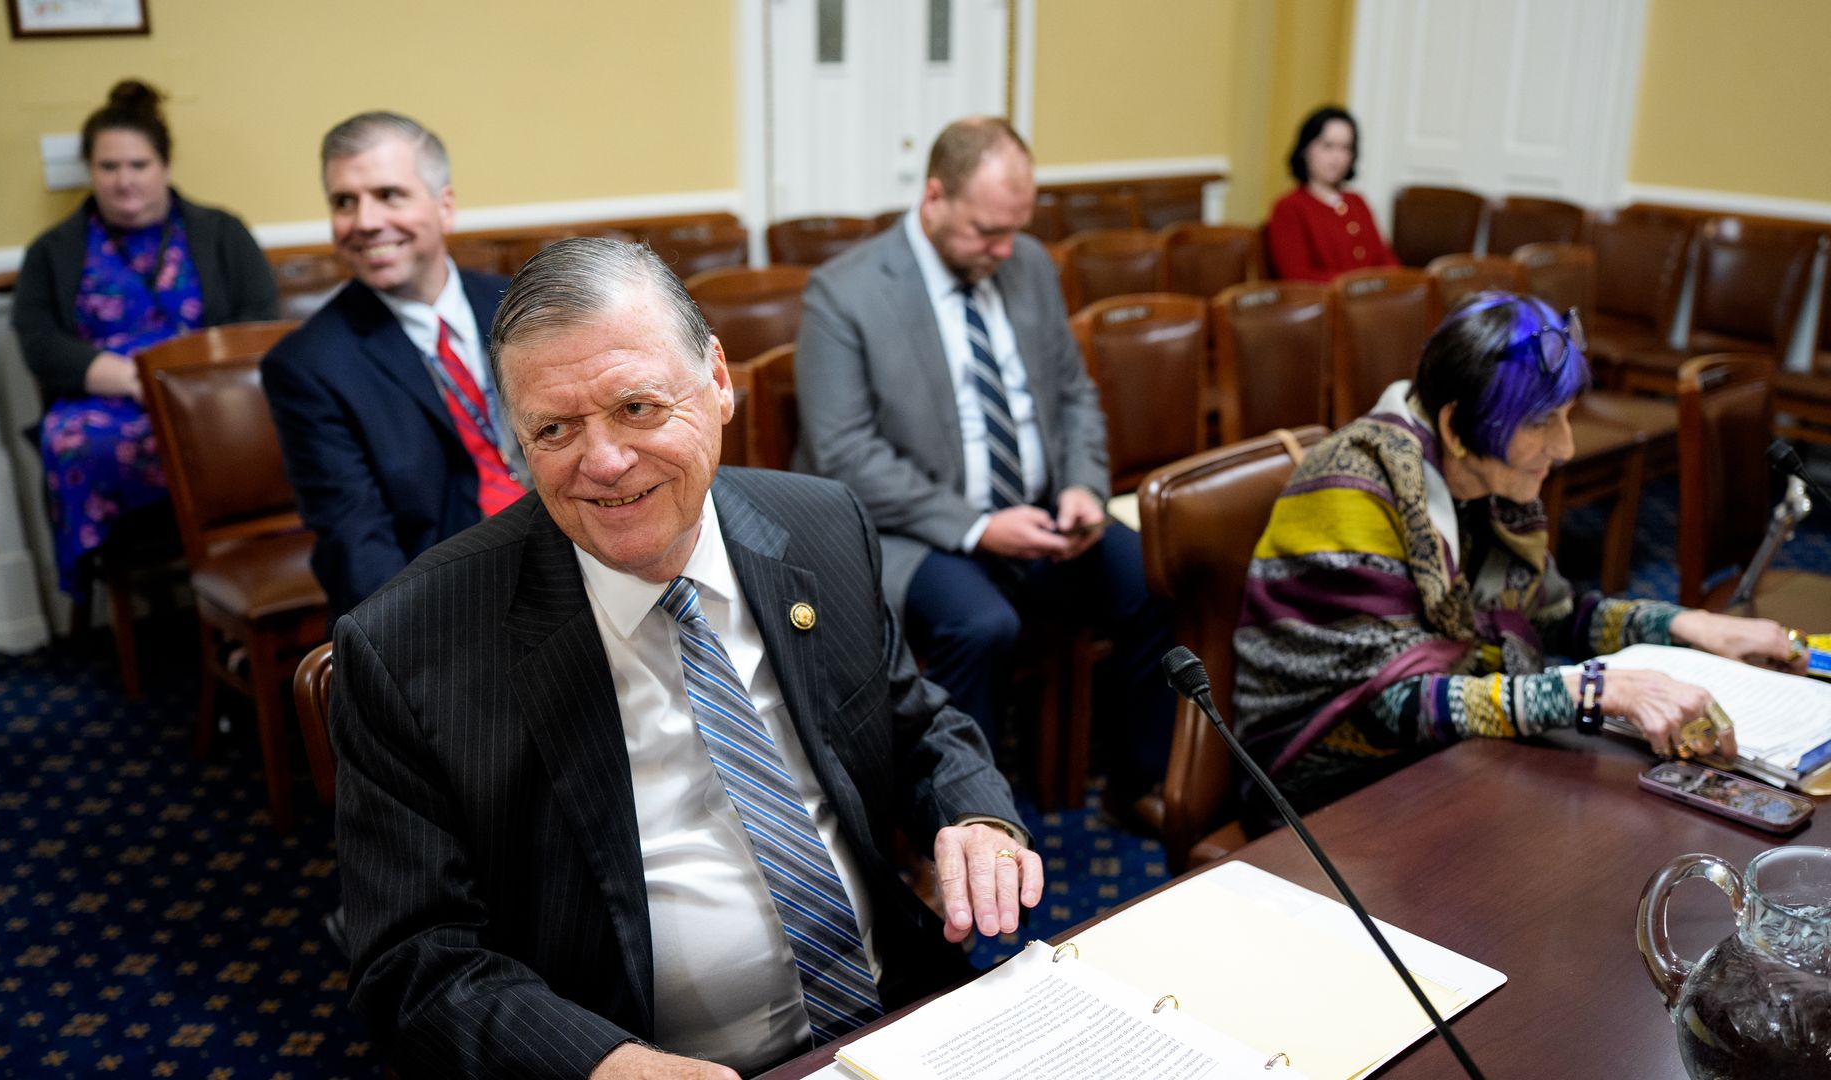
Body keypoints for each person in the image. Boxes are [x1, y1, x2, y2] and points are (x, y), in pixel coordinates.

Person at [332, 237, 1040, 1079]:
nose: (604, 463)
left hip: (892, 1015)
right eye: (554, 429)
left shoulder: (822, 527)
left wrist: (977, 817)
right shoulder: (410, 647)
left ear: (719, 382)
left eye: (637, 407)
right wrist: (602, 1064)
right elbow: (414, 958)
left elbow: (915, 724)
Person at [1232, 292, 1801, 817]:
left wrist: (1688, 625)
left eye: (1566, 416)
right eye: (1540, 422)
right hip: (1322, 784)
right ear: (1455, 425)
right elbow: (1394, 705)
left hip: (1435, 759)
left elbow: (1556, 616)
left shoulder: (1484, 480)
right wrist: (1596, 692)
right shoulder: (1353, 487)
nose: (1566, 447)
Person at [794, 117, 1174, 807]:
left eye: (1015, 230)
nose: (1004, 249)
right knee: (982, 624)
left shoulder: (1028, 264)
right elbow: (844, 454)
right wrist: (977, 527)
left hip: (1042, 509)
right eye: (986, 232)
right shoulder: (843, 292)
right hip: (914, 526)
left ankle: (1140, 786)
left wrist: (1084, 487)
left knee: (1152, 578)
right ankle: (967, 819)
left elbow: (1073, 393)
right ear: (934, 197)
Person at [12, 79, 278, 598]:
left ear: (166, 165)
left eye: (138, 165)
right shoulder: (52, 250)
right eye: (108, 167)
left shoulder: (223, 231)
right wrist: (135, 381)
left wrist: (186, 387)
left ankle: (258, 577)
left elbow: (258, 320)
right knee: (74, 444)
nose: (124, 180)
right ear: (90, 171)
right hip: (105, 400)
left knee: (262, 433)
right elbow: (40, 342)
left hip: (209, 400)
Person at [262, 111, 521, 619]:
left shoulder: (520, 304)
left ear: (445, 207)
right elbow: (356, 542)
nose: (365, 221)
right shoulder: (309, 366)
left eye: (389, 194)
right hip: (449, 599)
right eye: (344, 202)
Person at [1264, 105, 1400, 283]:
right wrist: (1360, 286)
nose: (1337, 157)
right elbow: (1298, 277)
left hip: (1370, 298)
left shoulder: (1356, 201)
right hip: (1323, 300)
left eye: (1346, 148)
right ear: (1306, 148)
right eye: (1328, 146)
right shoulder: (1289, 207)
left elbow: (1386, 261)